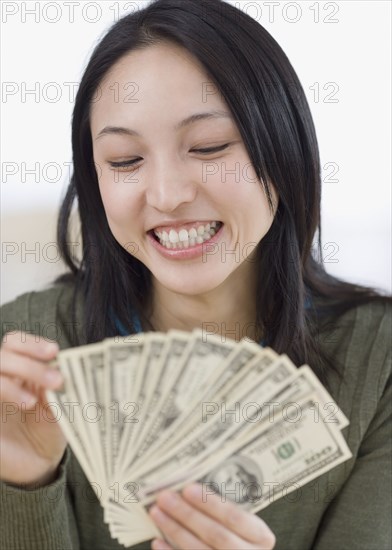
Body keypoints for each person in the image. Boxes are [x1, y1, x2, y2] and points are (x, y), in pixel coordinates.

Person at [0, 0, 390, 548]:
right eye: (124, 160)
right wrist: (25, 480)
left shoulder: (381, 362)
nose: (167, 195)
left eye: (208, 147)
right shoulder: (19, 360)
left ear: (283, 148)